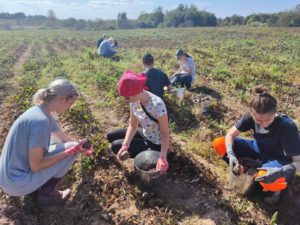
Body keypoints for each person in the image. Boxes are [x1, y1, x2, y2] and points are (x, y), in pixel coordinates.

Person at [0, 79, 93, 206]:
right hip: (16, 183)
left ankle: (38, 186)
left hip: (9, 178)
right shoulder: (41, 122)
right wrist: (69, 152)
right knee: (69, 149)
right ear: (62, 99)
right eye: (70, 103)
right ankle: (47, 194)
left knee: (64, 144)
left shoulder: (40, 112)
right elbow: (36, 166)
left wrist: (80, 147)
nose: (70, 108)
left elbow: (63, 138)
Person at [214, 85, 300, 204]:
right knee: (220, 143)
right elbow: (230, 135)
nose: (264, 124)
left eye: (268, 120)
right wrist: (230, 154)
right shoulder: (249, 116)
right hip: (257, 148)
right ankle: (243, 167)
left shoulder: (287, 127)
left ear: (274, 113)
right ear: (252, 114)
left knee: (271, 178)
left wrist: (281, 172)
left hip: (278, 158)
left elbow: (298, 162)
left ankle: (275, 192)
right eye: (258, 121)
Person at [107, 70, 170, 173]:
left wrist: (162, 157)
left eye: (126, 97)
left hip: (155, 142)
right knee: (110, 135)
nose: (125, 100)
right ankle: (132, 148)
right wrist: (125, 145)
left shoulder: (157, 105)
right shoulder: (134, 101)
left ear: (136, 92)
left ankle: (151, 157)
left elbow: (165, 133)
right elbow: (132, 125)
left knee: (115, 146)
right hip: (144, 132)